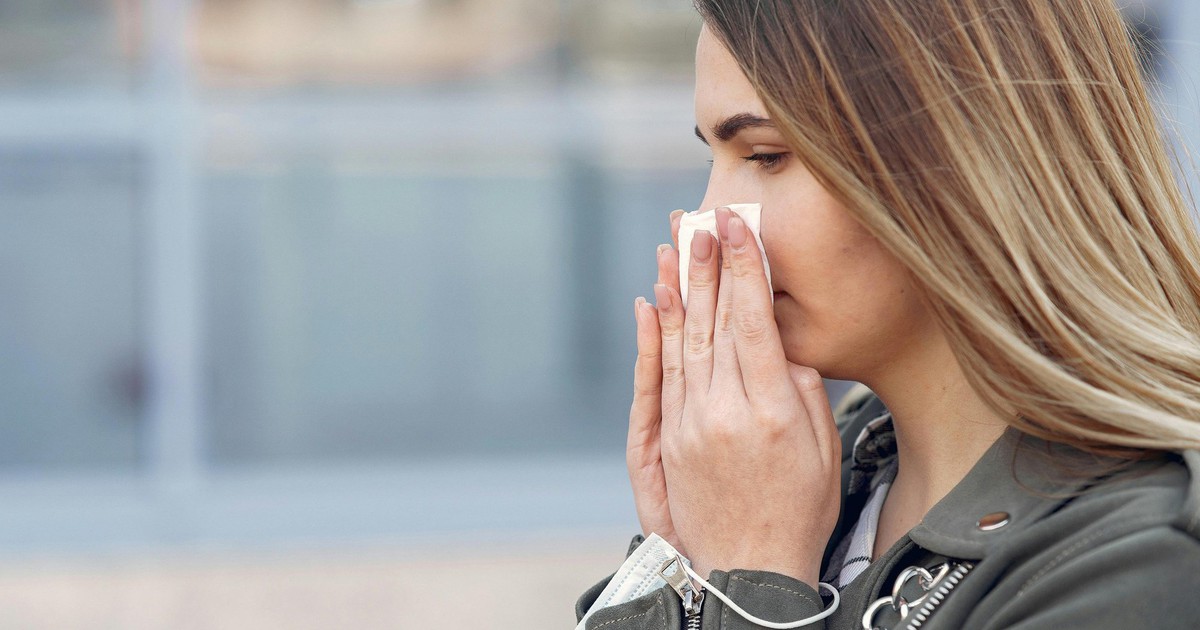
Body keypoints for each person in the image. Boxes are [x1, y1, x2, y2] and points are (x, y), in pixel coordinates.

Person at [575, 1, 1200, 628]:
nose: (706, 223)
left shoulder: (1141, 562)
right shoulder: (806, 475)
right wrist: (685, 568)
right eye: (712, 158)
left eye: (765, 156)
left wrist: (753, 575)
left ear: (962, 165)